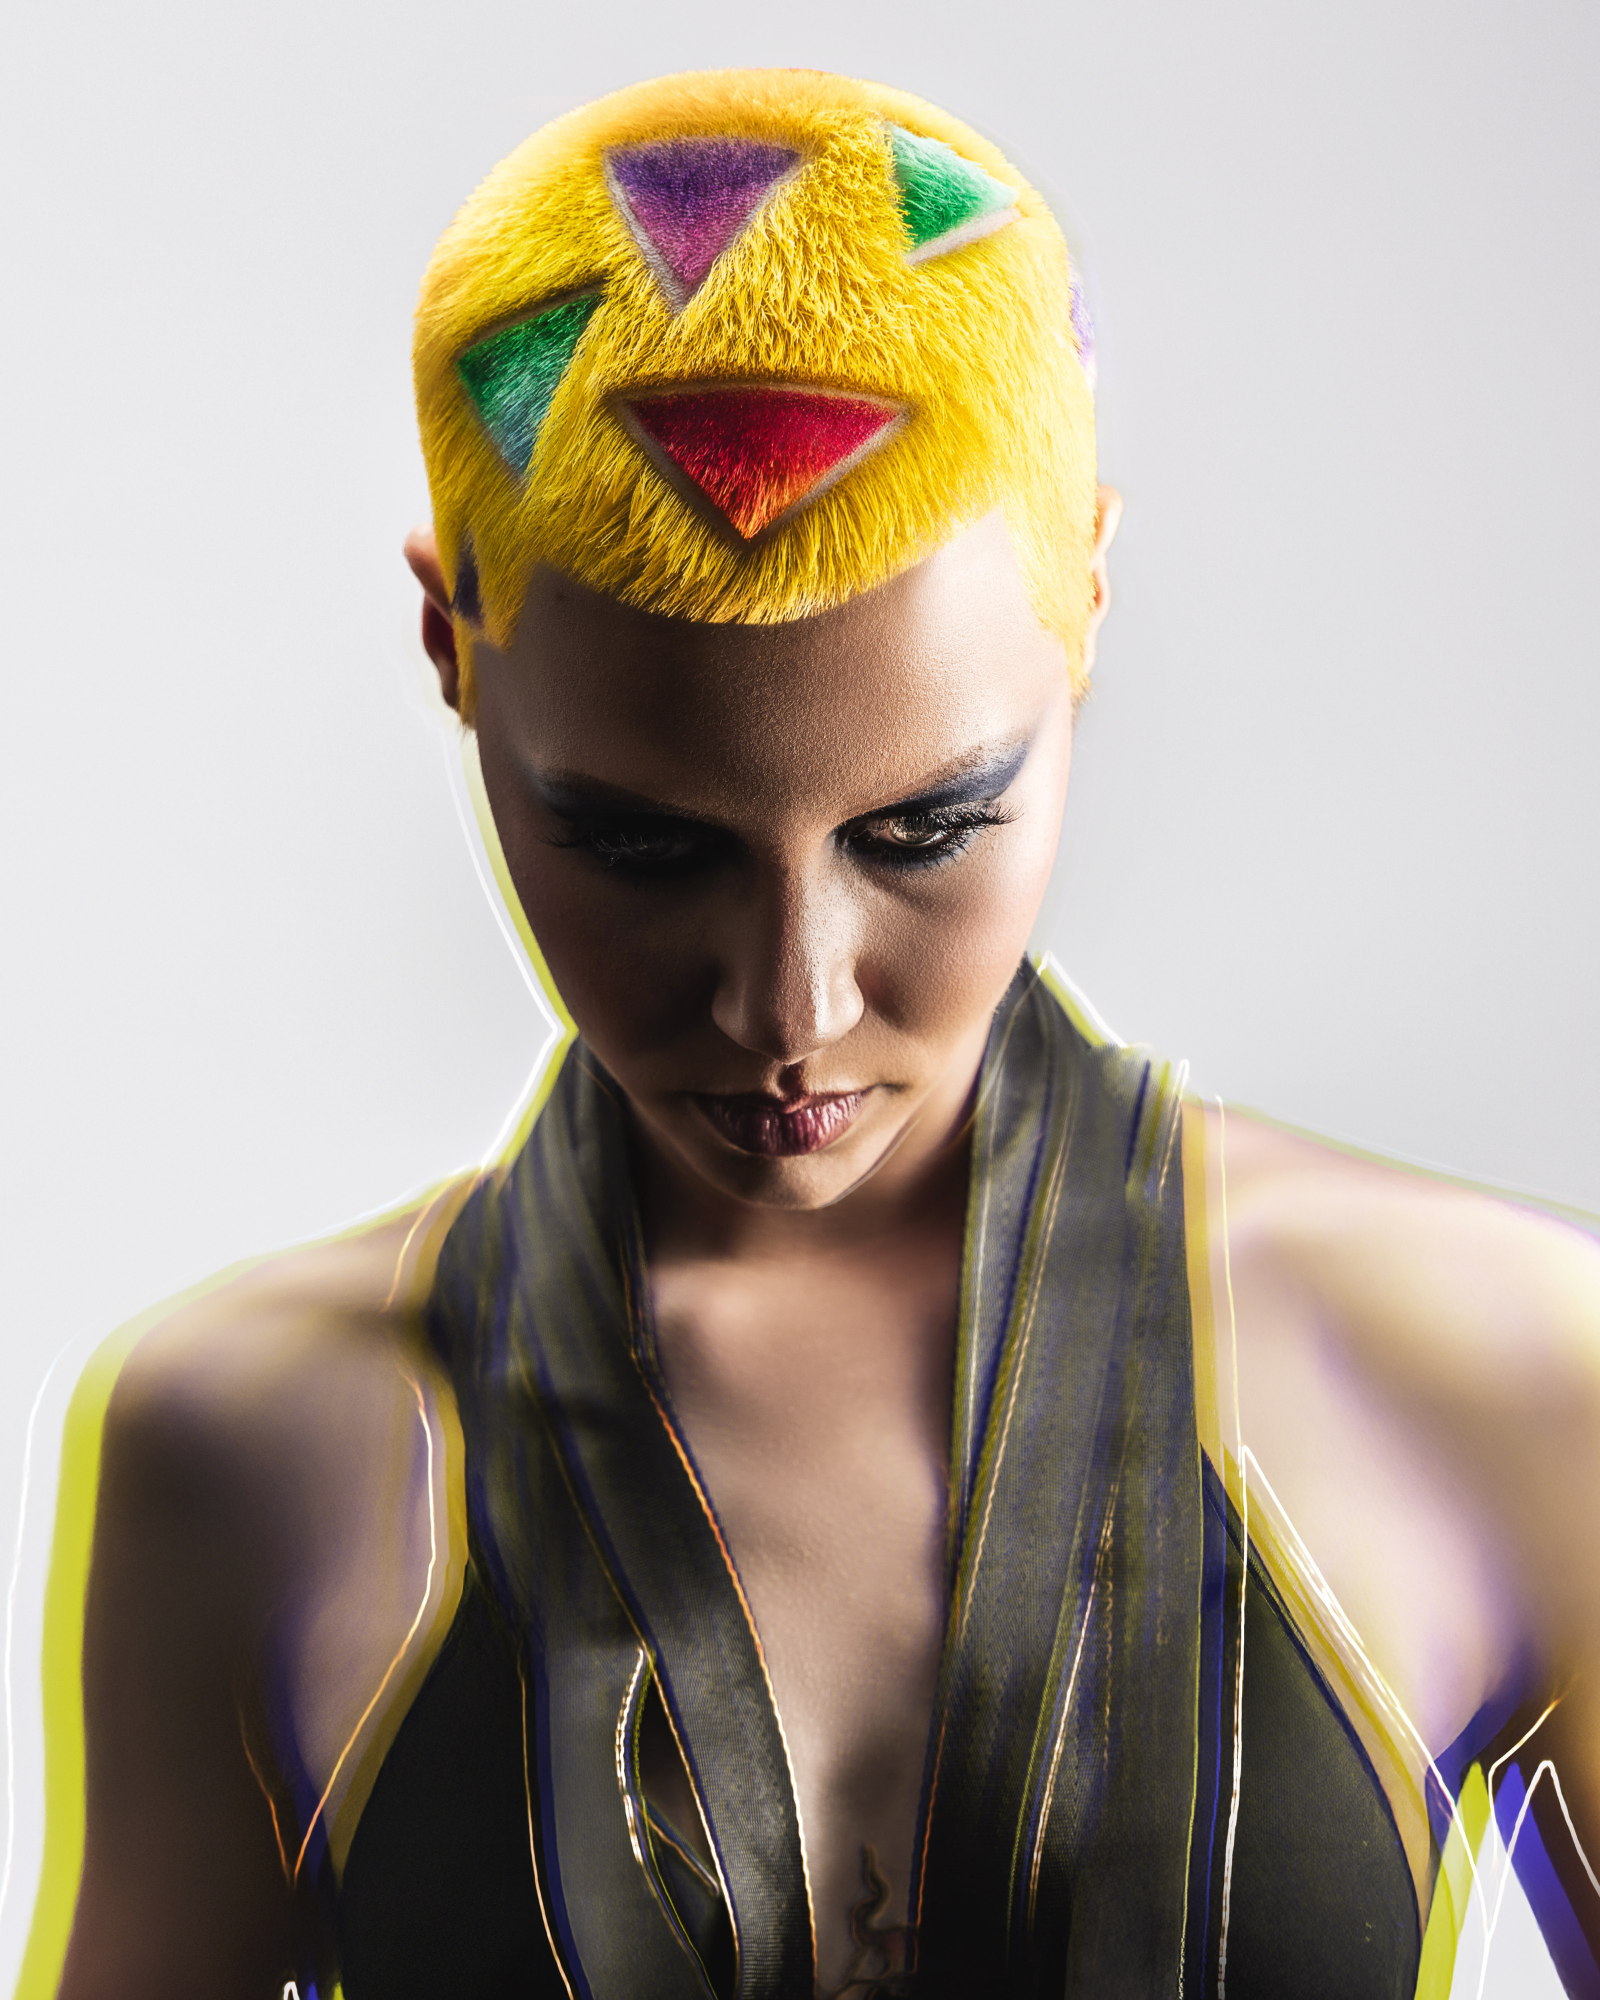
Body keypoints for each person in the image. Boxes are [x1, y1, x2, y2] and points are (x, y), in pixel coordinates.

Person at [19, 64, 1600, 2000]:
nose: (791, 1004)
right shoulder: (241, 1445)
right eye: (639, 844)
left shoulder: (1512, 1373)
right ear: (449, 643)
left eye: (923, 831)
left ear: (1088, 593)